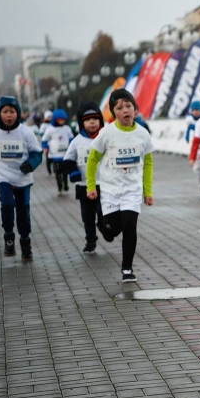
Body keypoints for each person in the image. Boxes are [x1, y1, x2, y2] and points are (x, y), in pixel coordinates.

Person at [85, 88, 154, 283]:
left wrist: (147, 192)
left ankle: (127, 268)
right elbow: (92, 160)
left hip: (132, 190)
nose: (125, 110)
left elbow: (148, 163)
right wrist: (91, 186)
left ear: (135, 109)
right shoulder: (107, 133)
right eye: (119, 108)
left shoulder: (143, 134)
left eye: (128, 106)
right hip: (110, 190)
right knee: (112, 231)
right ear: (113, 112)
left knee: (130, 225)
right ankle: (102, 224)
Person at [0, 96, 43, 261]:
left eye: (12, 111)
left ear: (18, 113)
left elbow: (37, 153)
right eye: (5, 111)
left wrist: (31, 164)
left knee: (23, 210)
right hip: (2, 175)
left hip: (22, 177)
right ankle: (9, 236)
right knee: (7, 204)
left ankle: (25, 242)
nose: (9, 115)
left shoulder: (26, 132)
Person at [63, 102, 105, 253]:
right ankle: (90, 240)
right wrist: (73, 173)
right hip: (84, 185)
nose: (92, 122)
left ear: (100, 120)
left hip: (104, 184)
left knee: (103, 212)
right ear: (82, 123)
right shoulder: (76, 141)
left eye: (95, 119)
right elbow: (68, 160)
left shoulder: (106, 138)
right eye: (88, 120)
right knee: (88, 216)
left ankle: (104, 227)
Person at [41, 109, 73, 195]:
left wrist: (72, 146)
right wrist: (45, 148)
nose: (62, 121)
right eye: (60, 119)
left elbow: (71, 138)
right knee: (58, 172)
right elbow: (44, 139)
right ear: (55, 119)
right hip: (55, 155)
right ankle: (60, 186)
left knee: (65, 172)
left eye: (63, 119)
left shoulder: (67, 128)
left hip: (65, 154)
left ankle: (65, 184)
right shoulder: (50, 129)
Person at [185, 100, 200, 198]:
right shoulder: (190, 123)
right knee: (197, 169)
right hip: (196, 151)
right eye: (194, 110)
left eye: (197, 109)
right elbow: (187, 137)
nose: (196, 112)